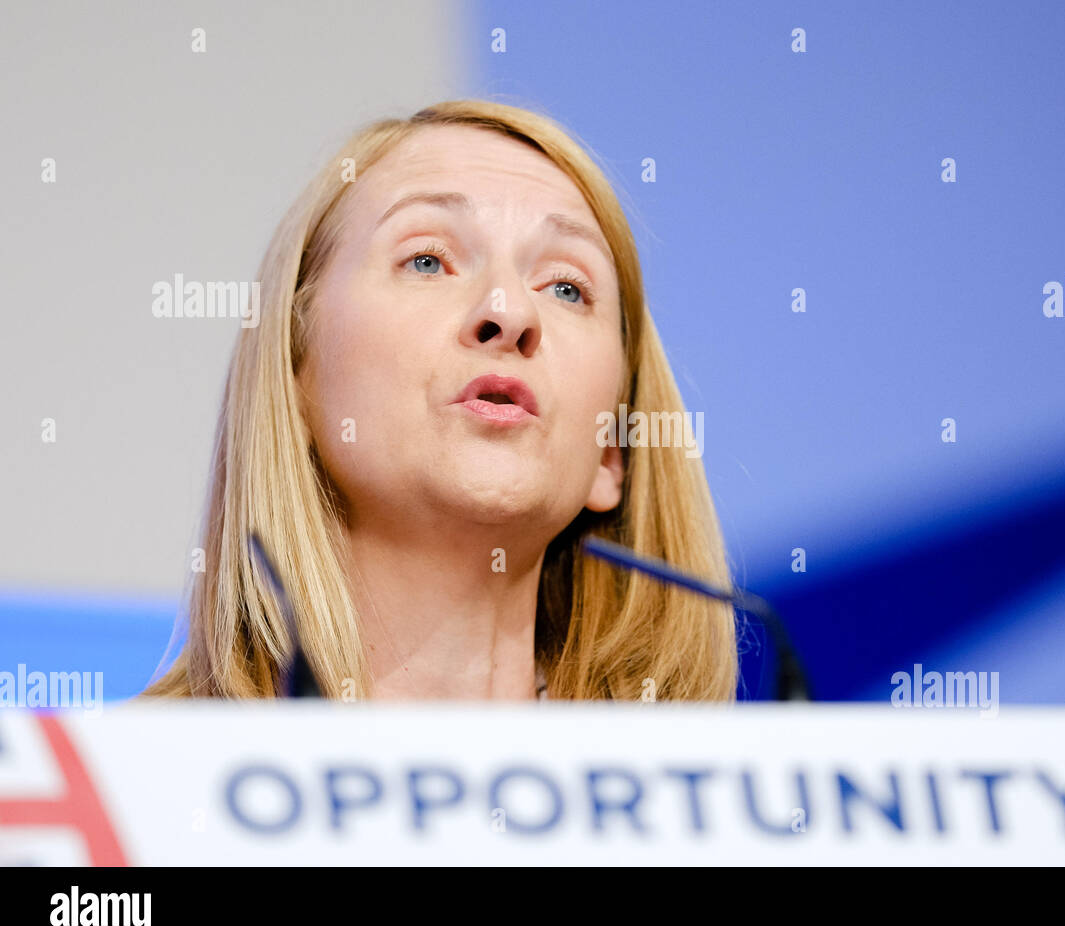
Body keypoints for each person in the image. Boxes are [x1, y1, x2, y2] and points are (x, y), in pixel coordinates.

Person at [140, 100, 736, 702]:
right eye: (428, 260)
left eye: (566, 287)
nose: (509, 312)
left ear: (612, 450)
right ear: (294, 379)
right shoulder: (127, 781)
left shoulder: (704, 791)